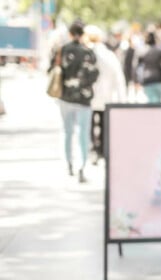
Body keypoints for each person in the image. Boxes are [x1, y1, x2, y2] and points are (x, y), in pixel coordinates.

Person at [55, 20, 99, 183]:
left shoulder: (63, 50)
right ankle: (82, 166)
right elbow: (94, 75)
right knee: (83, 134)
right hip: (84, 98)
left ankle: (68, 163)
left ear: (70, 34)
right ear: (83, 35)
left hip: (65, 97)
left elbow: (54, 70)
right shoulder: (88, 52)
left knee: (67, 132)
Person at [84, 25, 126, 165]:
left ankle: (93, 149)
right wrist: (121, 98)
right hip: (106, 96)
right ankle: (101, 149)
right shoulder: (108, 54)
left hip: (89, 96)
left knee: (90, 124)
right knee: (103, 123)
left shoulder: (86, 53)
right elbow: (118, 77)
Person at [137, 31, 161, 103]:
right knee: (157, 102)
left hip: (148, 79)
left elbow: (138, 67)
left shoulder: (143, 51)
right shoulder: (159, 51)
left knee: (152, 102)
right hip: (159, 79)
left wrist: (137, 80)